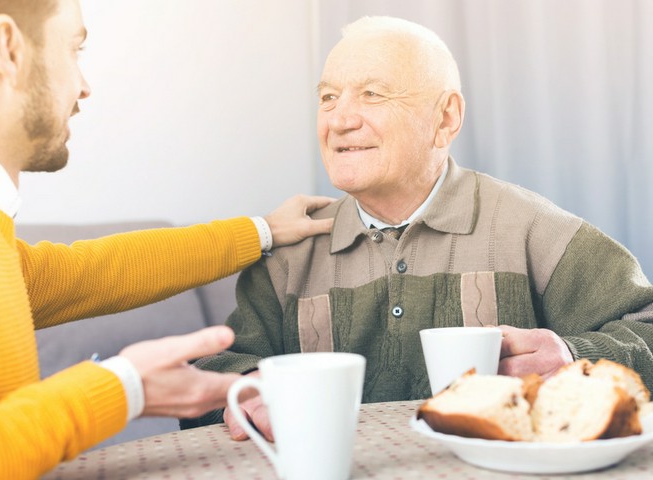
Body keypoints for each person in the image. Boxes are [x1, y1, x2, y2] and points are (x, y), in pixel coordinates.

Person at [182, 15, 653, 441]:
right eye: (328, 97)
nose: (340, 120)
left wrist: (574, 354)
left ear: (445, 118)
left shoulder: (536, 231)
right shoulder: (287, 255)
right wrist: (244, 391)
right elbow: (207, 379)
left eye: (372, 94)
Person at [0, 0, 334, 478]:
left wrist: (263, 230)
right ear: (7, 49)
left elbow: (91, 272)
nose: (84, 86)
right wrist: (121, 389)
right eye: (74, 49)